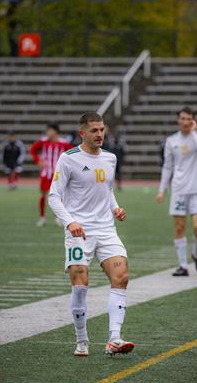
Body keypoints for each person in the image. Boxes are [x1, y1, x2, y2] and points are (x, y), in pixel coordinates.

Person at [48, 112, 134, 357]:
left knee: (122, 276)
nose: (99, 135)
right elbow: (53, 196)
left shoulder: (110, 158)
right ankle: (82, 340)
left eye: (102, 130)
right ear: (82, 133)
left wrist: (114, 207)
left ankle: (114, 339)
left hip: (106, 229)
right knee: (80, 284)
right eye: (94, 130)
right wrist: (70, 222)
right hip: (79, 232)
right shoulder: (68, 159)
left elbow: (106, 191)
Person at [156, 107, 197, 276]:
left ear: (193, 121)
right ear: (178, 120)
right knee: (179, 226)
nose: (185, 121)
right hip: (179, 190)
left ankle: (196, 253)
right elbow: (167, 166)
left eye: (189, 119)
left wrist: (193, 133)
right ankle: (183, 266)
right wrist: (161, 190)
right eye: (182, 118)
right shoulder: (172, 140)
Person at [30, 123, 73, 226]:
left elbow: (73, 154)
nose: (48, 133)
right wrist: (38, 161)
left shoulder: (63, 143)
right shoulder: (43, 141)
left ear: (55, 131)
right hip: (47, 173)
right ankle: (42, 217)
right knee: (44, 195)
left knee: (60, 196)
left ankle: (59, 218)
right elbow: (33, 149)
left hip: (59, 174)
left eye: (49, 130)